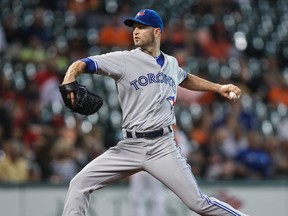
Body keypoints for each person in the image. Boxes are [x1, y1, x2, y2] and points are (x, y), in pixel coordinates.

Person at [60, 9, 249, 216]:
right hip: (130, 146)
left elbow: (184, 78)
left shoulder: (171, 63)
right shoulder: (123, 59)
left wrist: (218, 88)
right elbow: (82, 64)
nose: (136, 32)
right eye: (134, 27)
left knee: (198, 203)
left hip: (163, 146)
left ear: (157, 32)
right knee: (79, 184)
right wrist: (69, 77)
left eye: (142, 27)